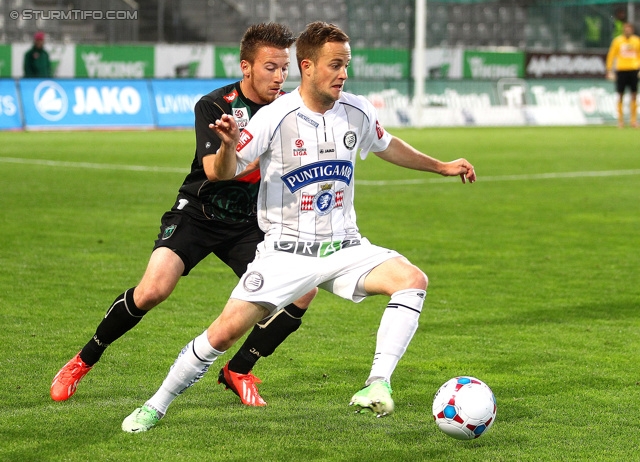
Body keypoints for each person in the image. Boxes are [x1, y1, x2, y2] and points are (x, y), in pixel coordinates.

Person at [121, 21, 476, 433]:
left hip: (345, 247)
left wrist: (441, 166)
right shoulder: (276, 116)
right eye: (335, 65)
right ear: (307, 67)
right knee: (221, 334)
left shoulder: (357, 110)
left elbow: (385, 143)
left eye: (346, 65)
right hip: (286, 253)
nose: (343, 74)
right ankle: (156, 404)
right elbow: (223, 170)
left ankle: (377, 383)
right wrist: (229, 144)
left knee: (413, 279)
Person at [50, 23, 317, 407]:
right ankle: (83, 359)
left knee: (302, 292)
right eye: (270, 67)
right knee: (153, 290)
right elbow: (213, 169)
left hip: (250, 225)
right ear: (246, 67)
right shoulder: (216, 105)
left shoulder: (291, 109)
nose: (280, 77)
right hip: (199, 212)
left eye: (284, 68)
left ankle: (238, 369)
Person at [606, 22, 640, 128]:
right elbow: (611, 55)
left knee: (634, 95)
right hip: (621, 70)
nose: (627, 31)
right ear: (623, 30)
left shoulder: (636, 41)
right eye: (626, 29)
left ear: (632, 30)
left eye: (629, 29)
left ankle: (633, 121)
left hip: (633, 70)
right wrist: (609, 70)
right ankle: (620, 121)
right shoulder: (617, 41)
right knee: (620, 95)